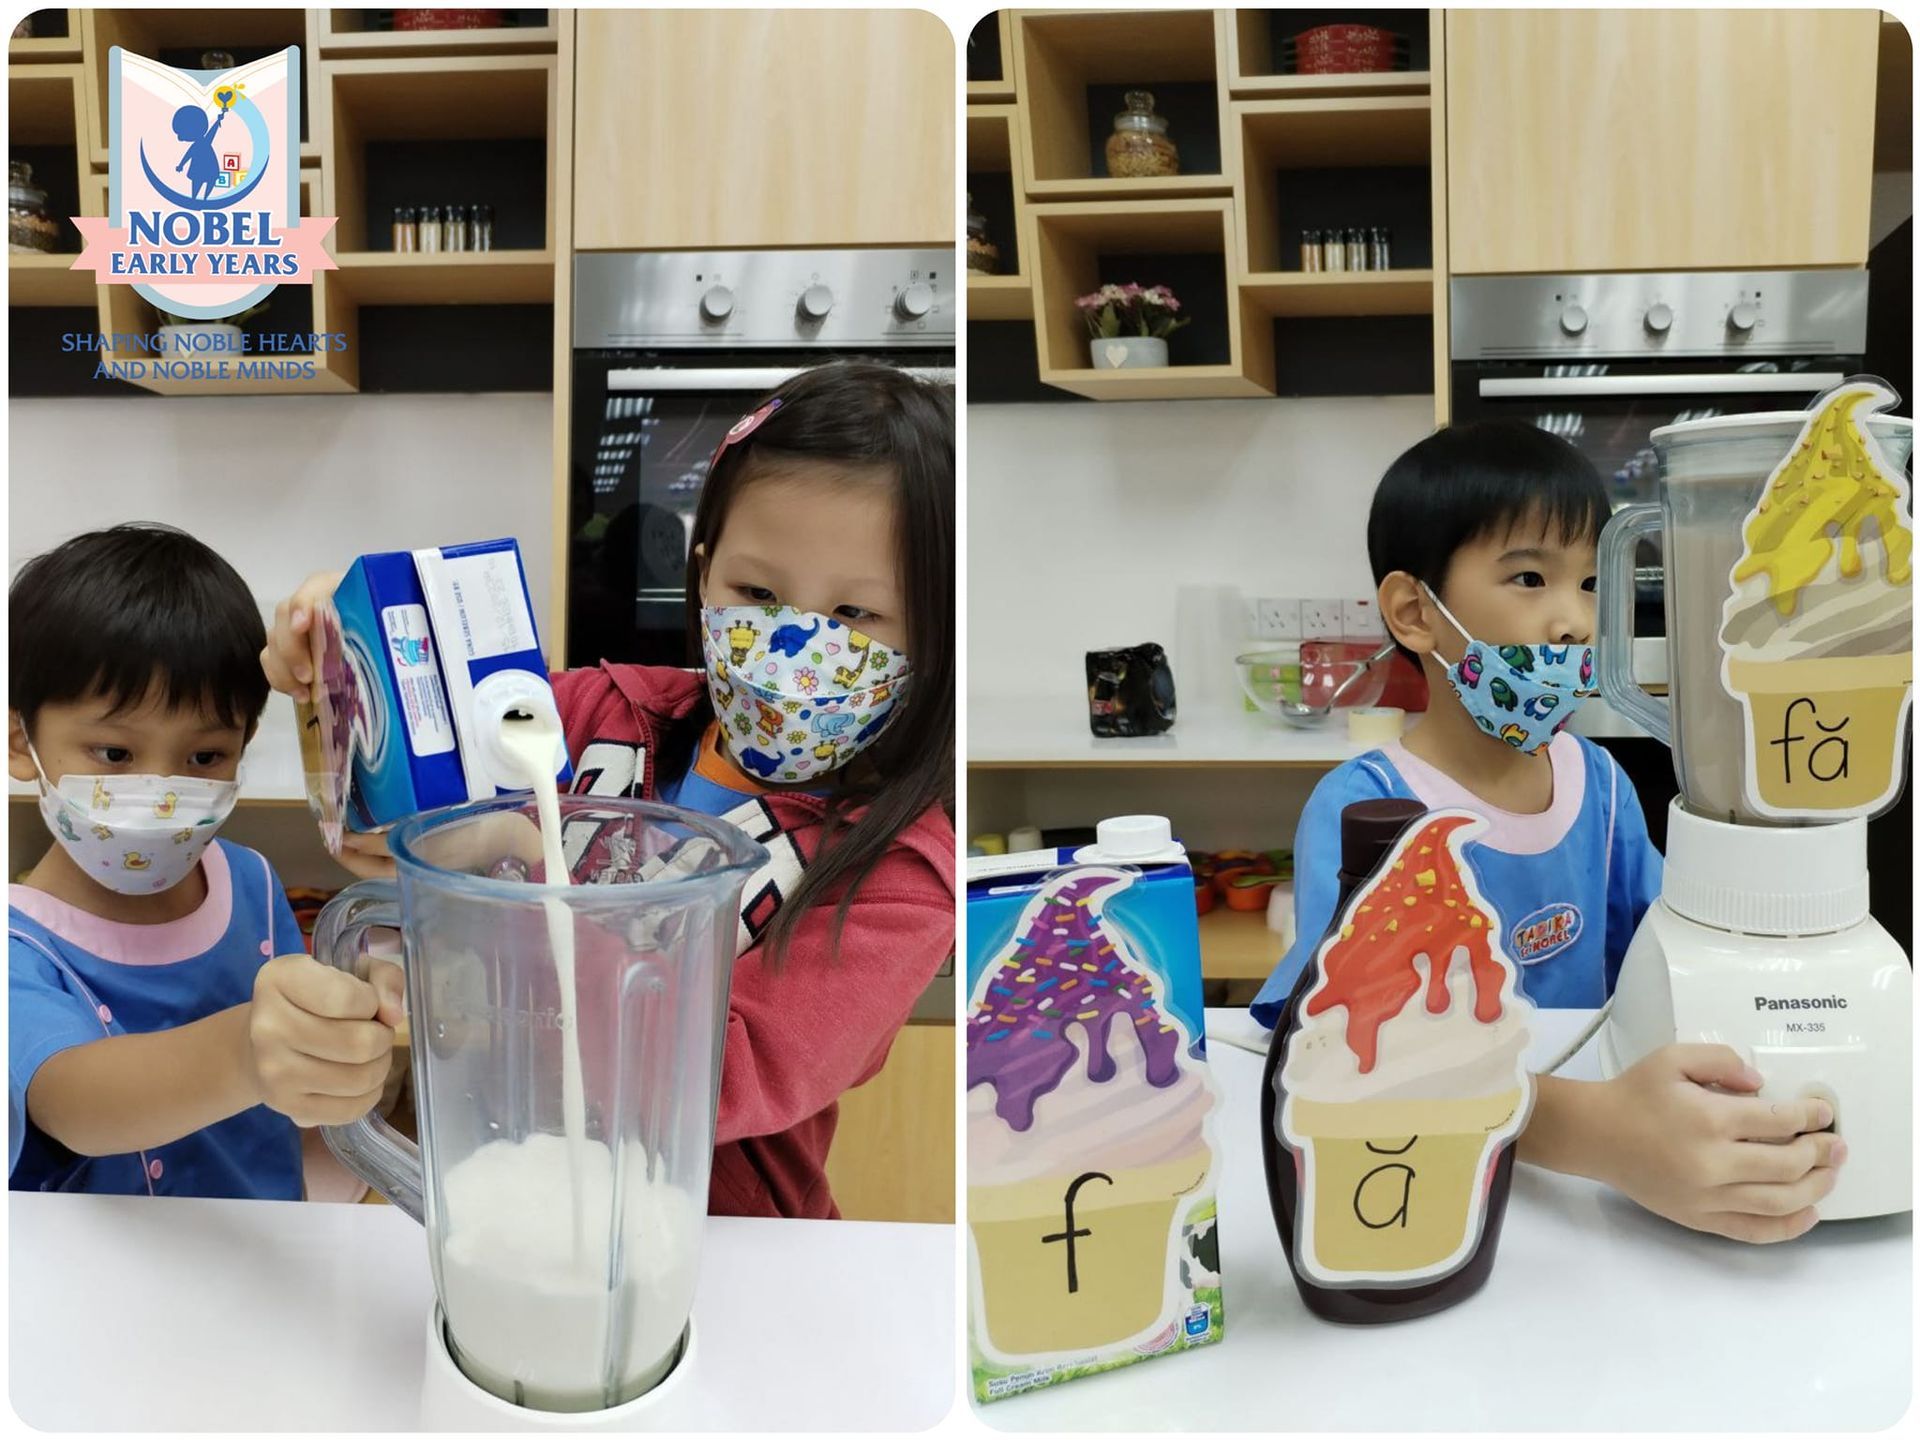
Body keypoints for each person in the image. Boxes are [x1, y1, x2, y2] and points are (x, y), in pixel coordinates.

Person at [262, 362, 955, 1218]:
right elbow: (427, 752)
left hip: (716, 1241)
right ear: (701, 575)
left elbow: (724, 1076)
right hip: (501, 1185)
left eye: (855, 616)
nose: (789, 644)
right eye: (757, 593)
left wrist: (522, 862)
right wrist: (337, 651)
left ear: (934, 622)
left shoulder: (899, 877)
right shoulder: (594, 713)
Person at [1252, 421, 1846, 1244]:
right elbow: (1341, 1054)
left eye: (1591, 581)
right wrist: (1596, 1133)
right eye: (1530, 577)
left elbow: (1669, 965)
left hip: (1604, 1204)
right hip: (1441, 1186)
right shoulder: (1368, 809)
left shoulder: (1602, 787)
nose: (1573, 622)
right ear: (1415, 613)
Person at [9, 524, 405, 1198]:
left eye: (203, 758)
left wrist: (355, 1025)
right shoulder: (18, 946)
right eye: (113, 754)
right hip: (96, 1290)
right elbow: (71, 1101)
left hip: (266, 1251)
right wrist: (250, 1050)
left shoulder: (246, 878)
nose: (161, 792)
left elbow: (299, 1113)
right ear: (21, 742)